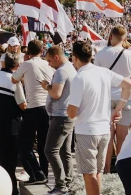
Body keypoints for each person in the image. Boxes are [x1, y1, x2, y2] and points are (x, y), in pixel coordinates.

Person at [68, 40, 131, 195]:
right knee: (97, 172)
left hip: (87, 130)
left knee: (90, 174)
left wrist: (68, 109)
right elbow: (129, 85)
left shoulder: (80, 78)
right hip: (103, 130)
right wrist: (119, 108)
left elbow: (72, 112)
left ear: (75, 57)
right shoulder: (103, 72)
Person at [93, 26, 131, 173]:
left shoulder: (101, 54)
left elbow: (96, 76)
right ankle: (121, 171)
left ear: (111, 36)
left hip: (106, 97)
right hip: (125, 97)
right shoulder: (130, 54)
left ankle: (105, 170)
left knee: (107, 136)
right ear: (125, 38)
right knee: (122, 136)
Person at [11, 39, 52, 185]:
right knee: (43, 146)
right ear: (42, 51)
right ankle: (43, 174)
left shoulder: (26, 64)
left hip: (33, 108)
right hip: (47, 108)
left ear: (28, 51)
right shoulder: (48, 64)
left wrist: (24, 77)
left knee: (23, 144)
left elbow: (13, 79)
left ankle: (38, 174)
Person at [0, 52, 27, 195]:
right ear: (17, 65)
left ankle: (7, 188)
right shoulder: (13, 80)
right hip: (12, 125)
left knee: (4, 160)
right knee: (11, 160)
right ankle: (12, 190)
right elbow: (22, 104)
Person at [42, 45, 77, 195]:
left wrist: (47, 86)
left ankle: (61, 185)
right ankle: (67, 183)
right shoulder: (70, 68)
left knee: (50, 150)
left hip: (61, 116)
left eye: (49, 61)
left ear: (56, 57)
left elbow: (56, 94)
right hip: (66, 115)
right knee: (64, 151)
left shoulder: (62, 71)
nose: (49, 64)